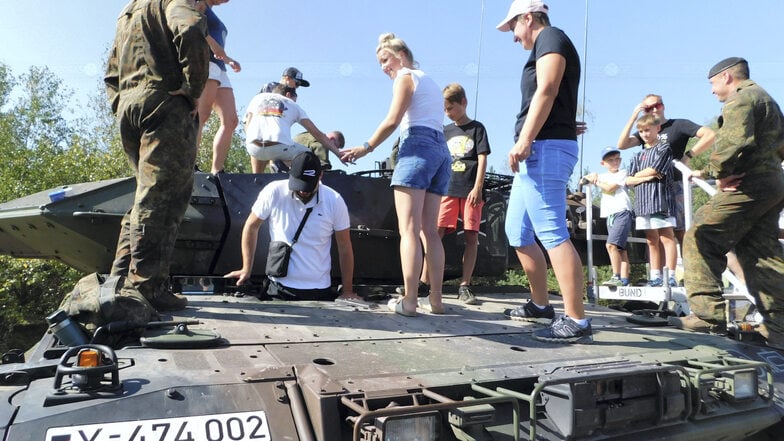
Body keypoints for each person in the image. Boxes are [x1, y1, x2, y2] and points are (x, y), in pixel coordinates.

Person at [670, 58, 784, 346]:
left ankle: (708, 318)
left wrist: (715, 173)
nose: (712, 91)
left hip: (746, 186)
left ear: (727, 77)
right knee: (761, 253)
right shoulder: (767, 100)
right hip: (773, 183)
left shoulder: (741, 99)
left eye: (713, 84)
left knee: (700, 237)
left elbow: (734, 143)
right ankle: (780, 329)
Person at [104, 0, 209, 311]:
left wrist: (120, 101)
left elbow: (111, 70)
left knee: (144, 198)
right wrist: (193, 88)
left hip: (130, 105)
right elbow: (189, 28)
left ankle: (120, 280)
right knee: (164, 199)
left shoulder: (128, 10)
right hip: (165, 104)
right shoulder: (175, 2)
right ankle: (148, 287)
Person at [496, 0, 590, 343]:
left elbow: (547, 89)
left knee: (551, 231)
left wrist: (525, 139)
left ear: (529, 18)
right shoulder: (547, 42)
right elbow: (553, 94)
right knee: (517, 232)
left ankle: (577, 322)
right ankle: (540, 305)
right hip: (542, 146)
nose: (512, 36)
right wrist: (561, 123)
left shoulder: (550, 37)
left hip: (543, 149)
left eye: (513, 28)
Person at [341, 33, 451, 317]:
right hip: (441, 150)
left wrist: (365, 148)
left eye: (385, 59)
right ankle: (436, 301)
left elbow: (392, 119)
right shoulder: (430, 81)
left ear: (400, 55)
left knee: (409, 230)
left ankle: (410, 301)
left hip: (417, 145)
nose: (383, 67)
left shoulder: (406, 76)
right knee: (431, 232)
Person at [224, 151, 360, 300]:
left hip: (319, 290)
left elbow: (344, 246)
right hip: (278, 288)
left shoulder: (334, 200)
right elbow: (251, 226)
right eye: (298, 184)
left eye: (308, 186)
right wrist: (246, 268)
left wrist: (347, 290)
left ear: (320, 176)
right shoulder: (274, 191)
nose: (302, 190)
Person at [417, 83, 491, 305]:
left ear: (463, 103)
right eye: (445, 109)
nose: (448, 113)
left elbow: (482, 158)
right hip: (446, 188)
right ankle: (424, 281)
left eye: (451, 108)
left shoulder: (478, 128)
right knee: (435, 232)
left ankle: (465, 284)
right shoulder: (444, 131)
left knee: (471, 235)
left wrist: (478, 187)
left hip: (470, 190)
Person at [617, 94, 716, 244]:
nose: (654, 109)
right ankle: (660, 268)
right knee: (655, 235)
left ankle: (688, 265)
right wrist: (633, 116)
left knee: (680, 230)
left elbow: (709, 134)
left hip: (674, 184)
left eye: (658, 105)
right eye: (649, 108)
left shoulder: (679, 124)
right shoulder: (646, 130)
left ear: (663, 106)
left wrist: (688, 156)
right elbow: (622, 145)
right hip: (652, 189)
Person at [624, 114, 678, 287]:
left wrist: (642, 175)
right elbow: (628, 180)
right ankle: (655, 276)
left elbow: (656, 169)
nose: (645, 134)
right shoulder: (637, 156)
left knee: (666, 237)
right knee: (650, 239)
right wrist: (645, 176)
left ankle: (670, 275)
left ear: (657, 129)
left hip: (660, 200)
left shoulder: (664, 148)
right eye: (641, 131)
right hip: (642, 203)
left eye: (647, 130)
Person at [243, 83, 343, 173]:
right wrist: (339, 154)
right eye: (295, 99)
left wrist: (250, 143)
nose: (295, 102)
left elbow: (247, 123)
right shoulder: (292, 104)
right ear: (288, 95)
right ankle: (282, 166)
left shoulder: (258, 98)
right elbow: (317, 134)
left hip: (253, 148)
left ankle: (275, 166)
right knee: (310, 157)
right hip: (279, 148)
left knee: (263, 143)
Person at [193, 0, 241, 175]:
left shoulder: (213, 12)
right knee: (201, 115)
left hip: (220, 67)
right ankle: (189, 164)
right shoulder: (200, 3)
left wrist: (228, 59)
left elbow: (219, 48)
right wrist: (213, 45)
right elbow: (191, 22)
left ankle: (217, 170)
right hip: (206, 61)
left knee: (231, 120)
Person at [582, 147, 633, 287]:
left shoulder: (623, 173)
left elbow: (610, 188)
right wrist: (590, 176)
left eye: (617, 159)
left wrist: (596, 181)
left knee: (610, 245)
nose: (614, 162)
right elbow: (583, 180)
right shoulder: (602, 175)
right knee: (620, 248)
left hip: (622, 211)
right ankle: (624, 279)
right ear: (603, 163)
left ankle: (616, 276)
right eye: (610, 160)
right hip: (610, 214)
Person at [273, 130, 345, 172]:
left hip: (279, 160)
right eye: (335, 146)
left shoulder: (308, 134)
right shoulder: (322, 143)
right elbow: (323, 167)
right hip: (290, 167)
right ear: (332, 139)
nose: (334, 150)